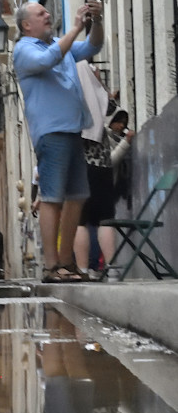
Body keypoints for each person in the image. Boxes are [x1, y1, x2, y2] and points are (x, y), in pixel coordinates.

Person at [13, 0, 105, 283]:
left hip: (73, 129)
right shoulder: (24, 49)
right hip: (51, 132)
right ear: (27, 25)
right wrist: (76, 28)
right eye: (41, 13)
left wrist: (97, 22)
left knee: (78, 195)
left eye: (46, 10)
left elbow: (93, 47)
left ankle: (68, 262)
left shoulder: (59, 45)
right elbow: (47, 59)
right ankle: (52, 266)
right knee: (52, 197)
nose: (48, 14)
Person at [73, 61, 130, 279]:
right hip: (103, 165)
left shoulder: (72, 96)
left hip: (82, 166)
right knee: (105, 218)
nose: (98, 72)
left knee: (82, 220)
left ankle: (84, 269)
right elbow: (111, 111)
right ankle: (112, 268)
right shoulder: (98, 97)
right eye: (94, 70)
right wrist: (102, 86)